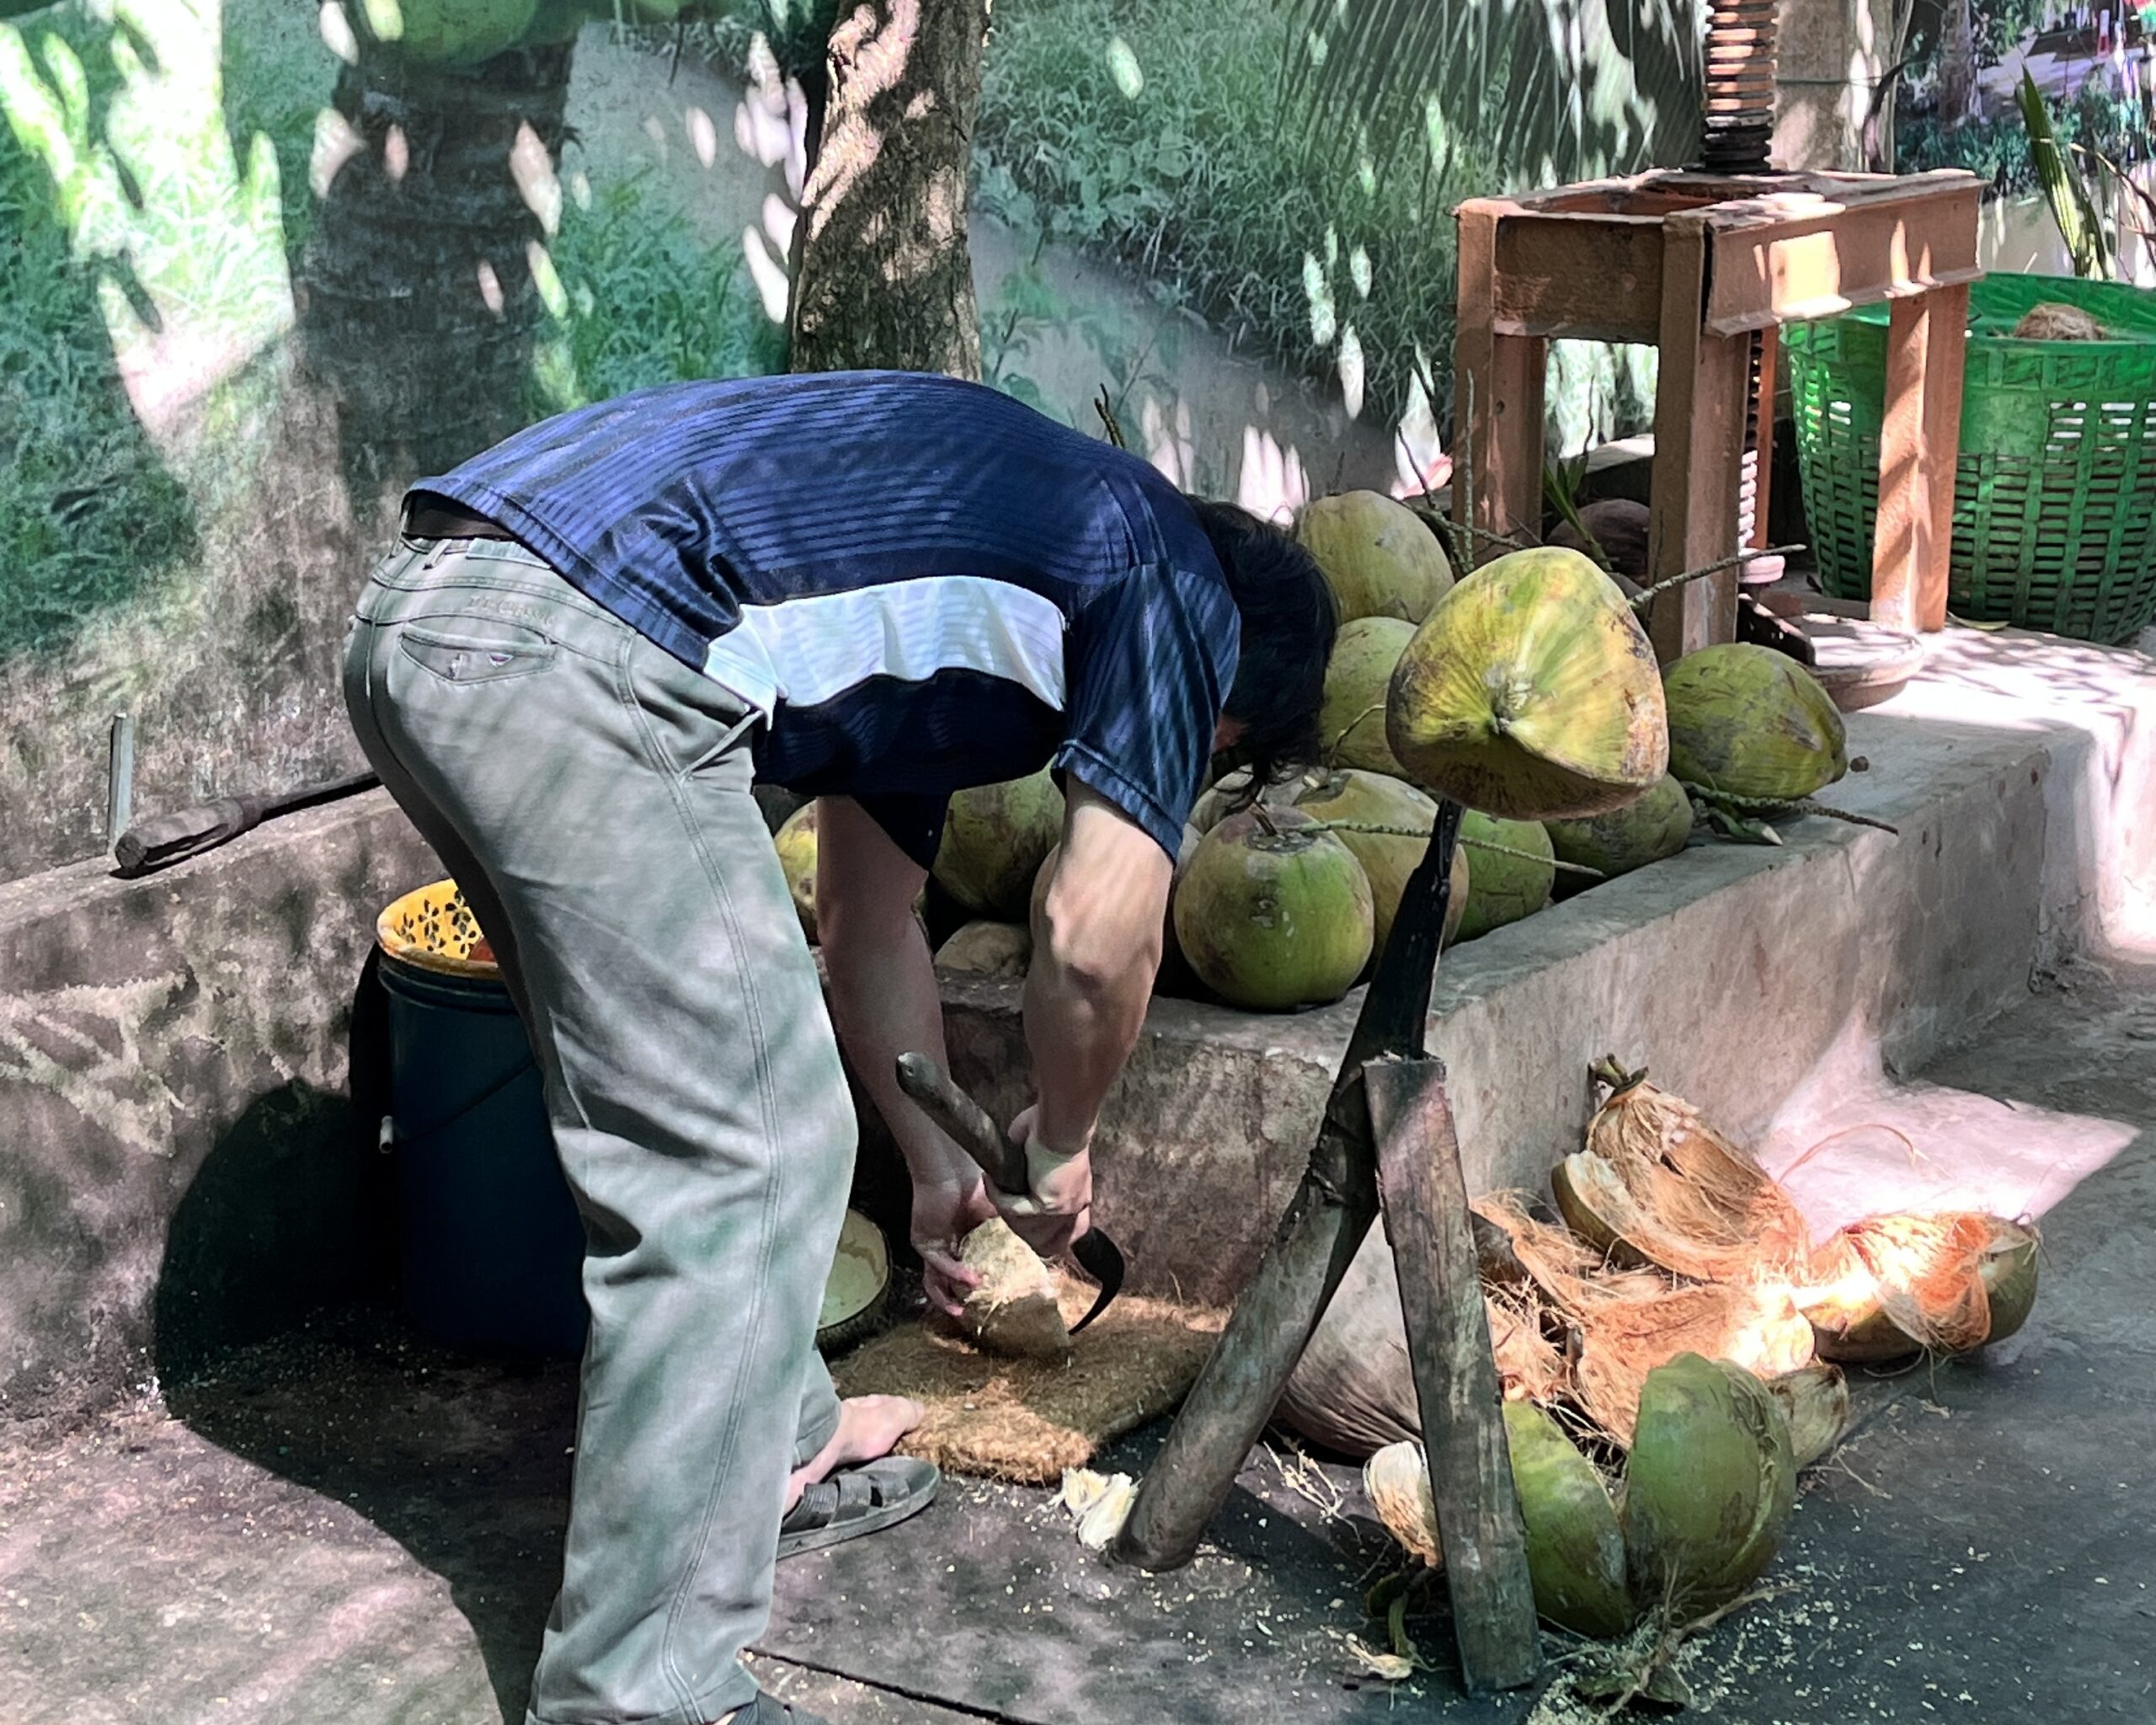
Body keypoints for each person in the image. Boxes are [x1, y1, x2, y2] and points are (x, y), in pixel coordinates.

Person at [340, 369, 1337, 1725]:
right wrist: (1063, 1141)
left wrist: (938, 1165)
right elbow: (1099, 936)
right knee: (743, 1157)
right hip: (579, 648)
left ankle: (775, 1449)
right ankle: (644, 1691)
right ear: (1230, 714)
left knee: (687, 1117)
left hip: (432, 614)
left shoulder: (983, 598)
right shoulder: (1173, 592)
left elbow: (866, 919)